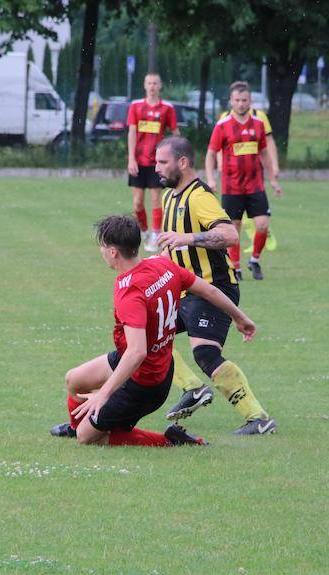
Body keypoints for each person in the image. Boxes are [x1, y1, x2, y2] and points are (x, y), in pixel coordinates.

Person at [50, 214, 257, 447]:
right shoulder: (163, 265)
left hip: (146, 381)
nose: (101, 251)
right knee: (74, 380)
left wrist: (104, 393)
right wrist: (240, 317)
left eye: (103, 246)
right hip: (146, 362)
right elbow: (208, 291)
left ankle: (169, 440)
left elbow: (137, 352)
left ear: (113, 251)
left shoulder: (129, 291)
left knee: (86, 437)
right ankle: (81, 423)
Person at [155, 136, 277, 435]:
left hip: (214, 288)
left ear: (182, 163)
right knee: (149, 333)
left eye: (163, 162)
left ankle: (258, 418)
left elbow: (230, 236)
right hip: (186, 290)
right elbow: (173, 246)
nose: (156, 168)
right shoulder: (170, 196)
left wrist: (189, 237)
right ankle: (193, 388)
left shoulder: (200, 196)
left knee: (205, 355)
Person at [205, 81, 282, 281]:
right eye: (237, 100)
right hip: (232, 188)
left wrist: (273, 179)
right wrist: (211, 178)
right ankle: (236, 267)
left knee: (263, 225)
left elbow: (264, 153)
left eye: (244, 100)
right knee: (234, 229)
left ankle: (255, 260)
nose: (241, 104)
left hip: (255, 185)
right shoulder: (223, 126)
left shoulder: (258, 124)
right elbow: (211, 154)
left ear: (250, 101)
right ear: (231, 101)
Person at [127, 73, 180, 252]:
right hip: (139, 161)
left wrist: (178, 153)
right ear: (144, 85)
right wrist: (131, 158)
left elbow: (175, 133)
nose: (152, 86)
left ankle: (156, 235)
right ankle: (145, 231)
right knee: (137, 202)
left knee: (156, 198)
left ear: (160, 86)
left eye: (155, 83)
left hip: (158, 162)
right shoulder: (135, 106)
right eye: (149, 83)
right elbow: (132, 133)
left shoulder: (167, 108)